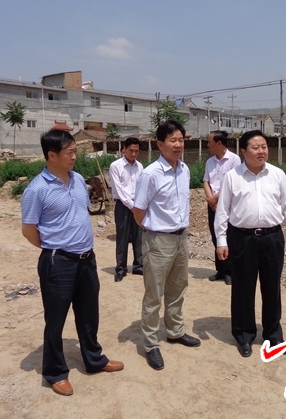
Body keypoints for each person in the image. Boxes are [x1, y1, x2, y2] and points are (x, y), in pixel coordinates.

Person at [21, 129, 123, 397]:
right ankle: (55, 372)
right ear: (52, 155)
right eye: (69, 152)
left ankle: (94, 359)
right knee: (55, 319)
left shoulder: (77, 179)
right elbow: (29, 230)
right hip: (59, 262)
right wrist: (54, 247)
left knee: (89, 314)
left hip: (87, 259)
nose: (74, 157)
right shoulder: (37, 189)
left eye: (75, 151)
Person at [215, 130, 286, 358]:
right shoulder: (232, 177)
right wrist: (221, 240)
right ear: (244, 151)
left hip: (272, 237)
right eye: (255, 147)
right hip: (242, 238)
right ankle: (244, 335)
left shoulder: (277, 174)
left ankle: (273, 336)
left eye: (264, 146)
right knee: (243, 288)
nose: (261, 151)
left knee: (272, 287)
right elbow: (222, 211)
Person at [132, 119, 201, 371]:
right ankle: (151, 343)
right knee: (154, 294)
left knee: (178, 288)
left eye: (181, 140)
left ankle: (175, 331)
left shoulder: (184, 170)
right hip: (158, 240)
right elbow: (138, 211)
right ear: (160, 144)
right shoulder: (150, 174)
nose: (178, 144)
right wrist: (153, 230)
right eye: (173, 140)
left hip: (181, 238)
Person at [203, 130, 241, 285]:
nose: (208, 144)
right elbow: (206, 181)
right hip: (213, 205)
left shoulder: (234, 160)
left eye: (210, 142)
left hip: (228, 205)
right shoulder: (209, 162)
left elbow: (232, 183)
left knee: (228, 236)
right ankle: (221, 269)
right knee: (215, 235)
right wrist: (210, 200)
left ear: (219, 143)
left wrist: (215, 198)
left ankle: (231, 271)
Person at [109, 137, 144, 282]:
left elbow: (141, 186)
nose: (134, 154)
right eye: (131, 150)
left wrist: (139, 206)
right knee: (122, 237)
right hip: (123, 206)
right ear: (124, 149)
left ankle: (138, 265)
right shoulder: (116, 166)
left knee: (139, 236)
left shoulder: (140, 166)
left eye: (136, 151)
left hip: (137, 205)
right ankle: (121, 268)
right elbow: (119, 189)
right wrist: (132, 206)